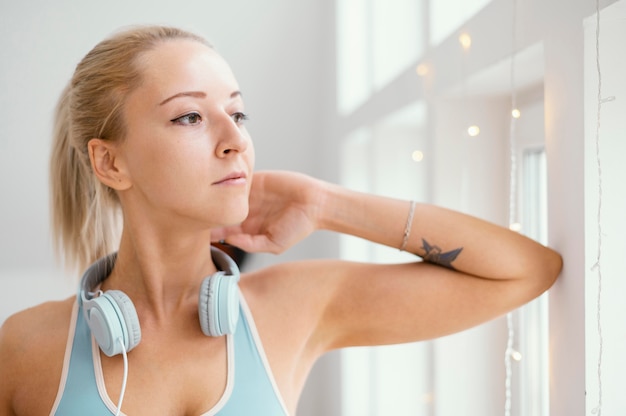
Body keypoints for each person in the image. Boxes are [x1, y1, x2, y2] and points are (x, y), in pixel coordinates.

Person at [0, 25, 562, 416]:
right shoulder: (25, 347)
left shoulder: (290, 309)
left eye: (238, 112)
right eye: (191, 116)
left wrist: (325, 204)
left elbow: (526, 270)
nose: (235, 139)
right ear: (110, 161)